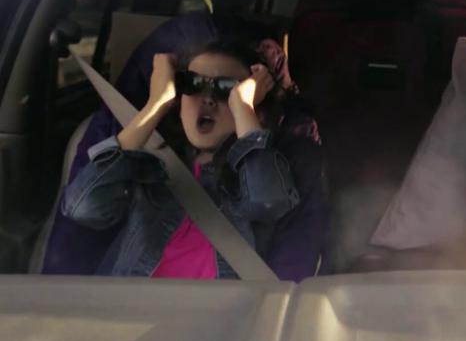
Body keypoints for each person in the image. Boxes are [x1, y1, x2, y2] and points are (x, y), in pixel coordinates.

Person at [61, 41, 301, 278]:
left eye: (226, 89)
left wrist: (243, 107)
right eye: (193, 83)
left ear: (255, 110)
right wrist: (157, 104)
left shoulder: (254, 176)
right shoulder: (148, 168)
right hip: (132, 303)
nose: (207, 98)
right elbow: (82, 207)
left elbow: (268, 202)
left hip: (217, 305)